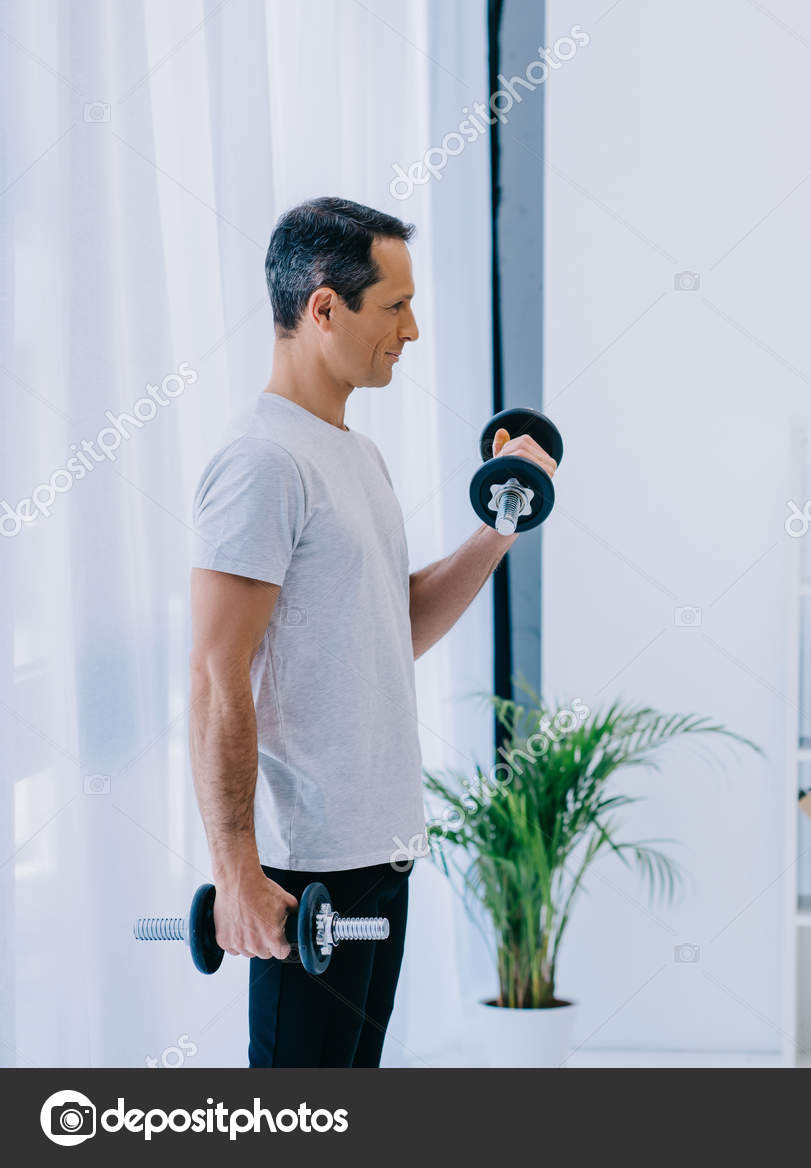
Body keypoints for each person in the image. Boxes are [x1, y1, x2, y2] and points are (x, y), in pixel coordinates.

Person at [187, 196, 555, 1067]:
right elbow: (213, 671)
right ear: (324, 308)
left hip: (378, 845)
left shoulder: (352, 455)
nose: (413, 329)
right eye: (394, 305)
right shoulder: (262, 462)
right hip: (304, 865)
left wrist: (502, 521)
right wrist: (238, 869)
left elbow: (395, 626)